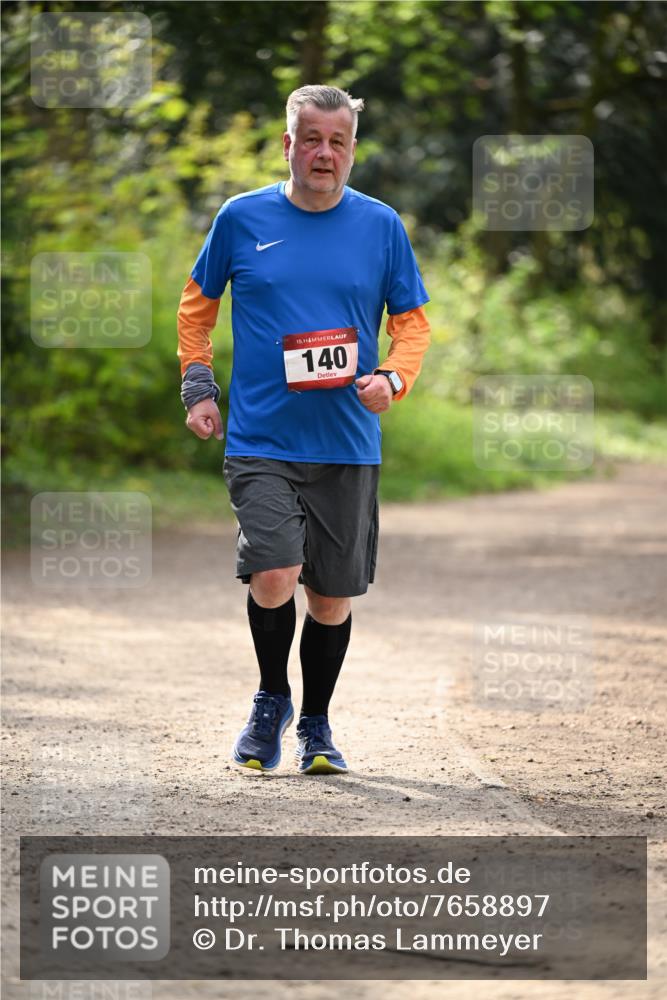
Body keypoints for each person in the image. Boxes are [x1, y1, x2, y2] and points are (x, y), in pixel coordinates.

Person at [177, 85, 430, 775]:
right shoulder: (240, 217)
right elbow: (196, 306)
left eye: (337, 142)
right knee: (274, 572)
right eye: (310, 140)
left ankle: (315, 724)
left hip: (347, 440)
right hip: (261, 437)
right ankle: (269, 700)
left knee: (330, 596)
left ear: (351, 149)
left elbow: (411, 324)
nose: (323, 154)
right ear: (288, 144)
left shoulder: (380, 226)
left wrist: (393, 379)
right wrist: (198, 382)